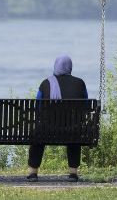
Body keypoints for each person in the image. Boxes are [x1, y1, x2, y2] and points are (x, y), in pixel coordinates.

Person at [27, 54, 88, 183]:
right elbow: (86, 106)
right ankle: (73, 173)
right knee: (74, 131)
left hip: (47, 129)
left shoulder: (46, 83)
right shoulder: (79, 83)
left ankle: (33, 172)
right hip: (72, 130)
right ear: (70, 67)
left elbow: (38, 106)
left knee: (37, 133)